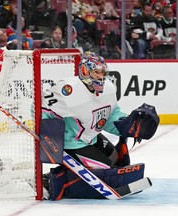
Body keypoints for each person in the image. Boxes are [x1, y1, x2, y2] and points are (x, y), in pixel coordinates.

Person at [41, 52, 159, 200]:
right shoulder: (68, 91)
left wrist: (127, 125)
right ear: (85, 72)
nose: (101, 76)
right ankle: (50, 182)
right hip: (72, 142)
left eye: (103, 72)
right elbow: (40, 108)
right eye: (97, 72)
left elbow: (109, 117)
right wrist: (47, 136)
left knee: (117, 161)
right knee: (105, 171)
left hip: (92, 137)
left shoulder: (108, 88)